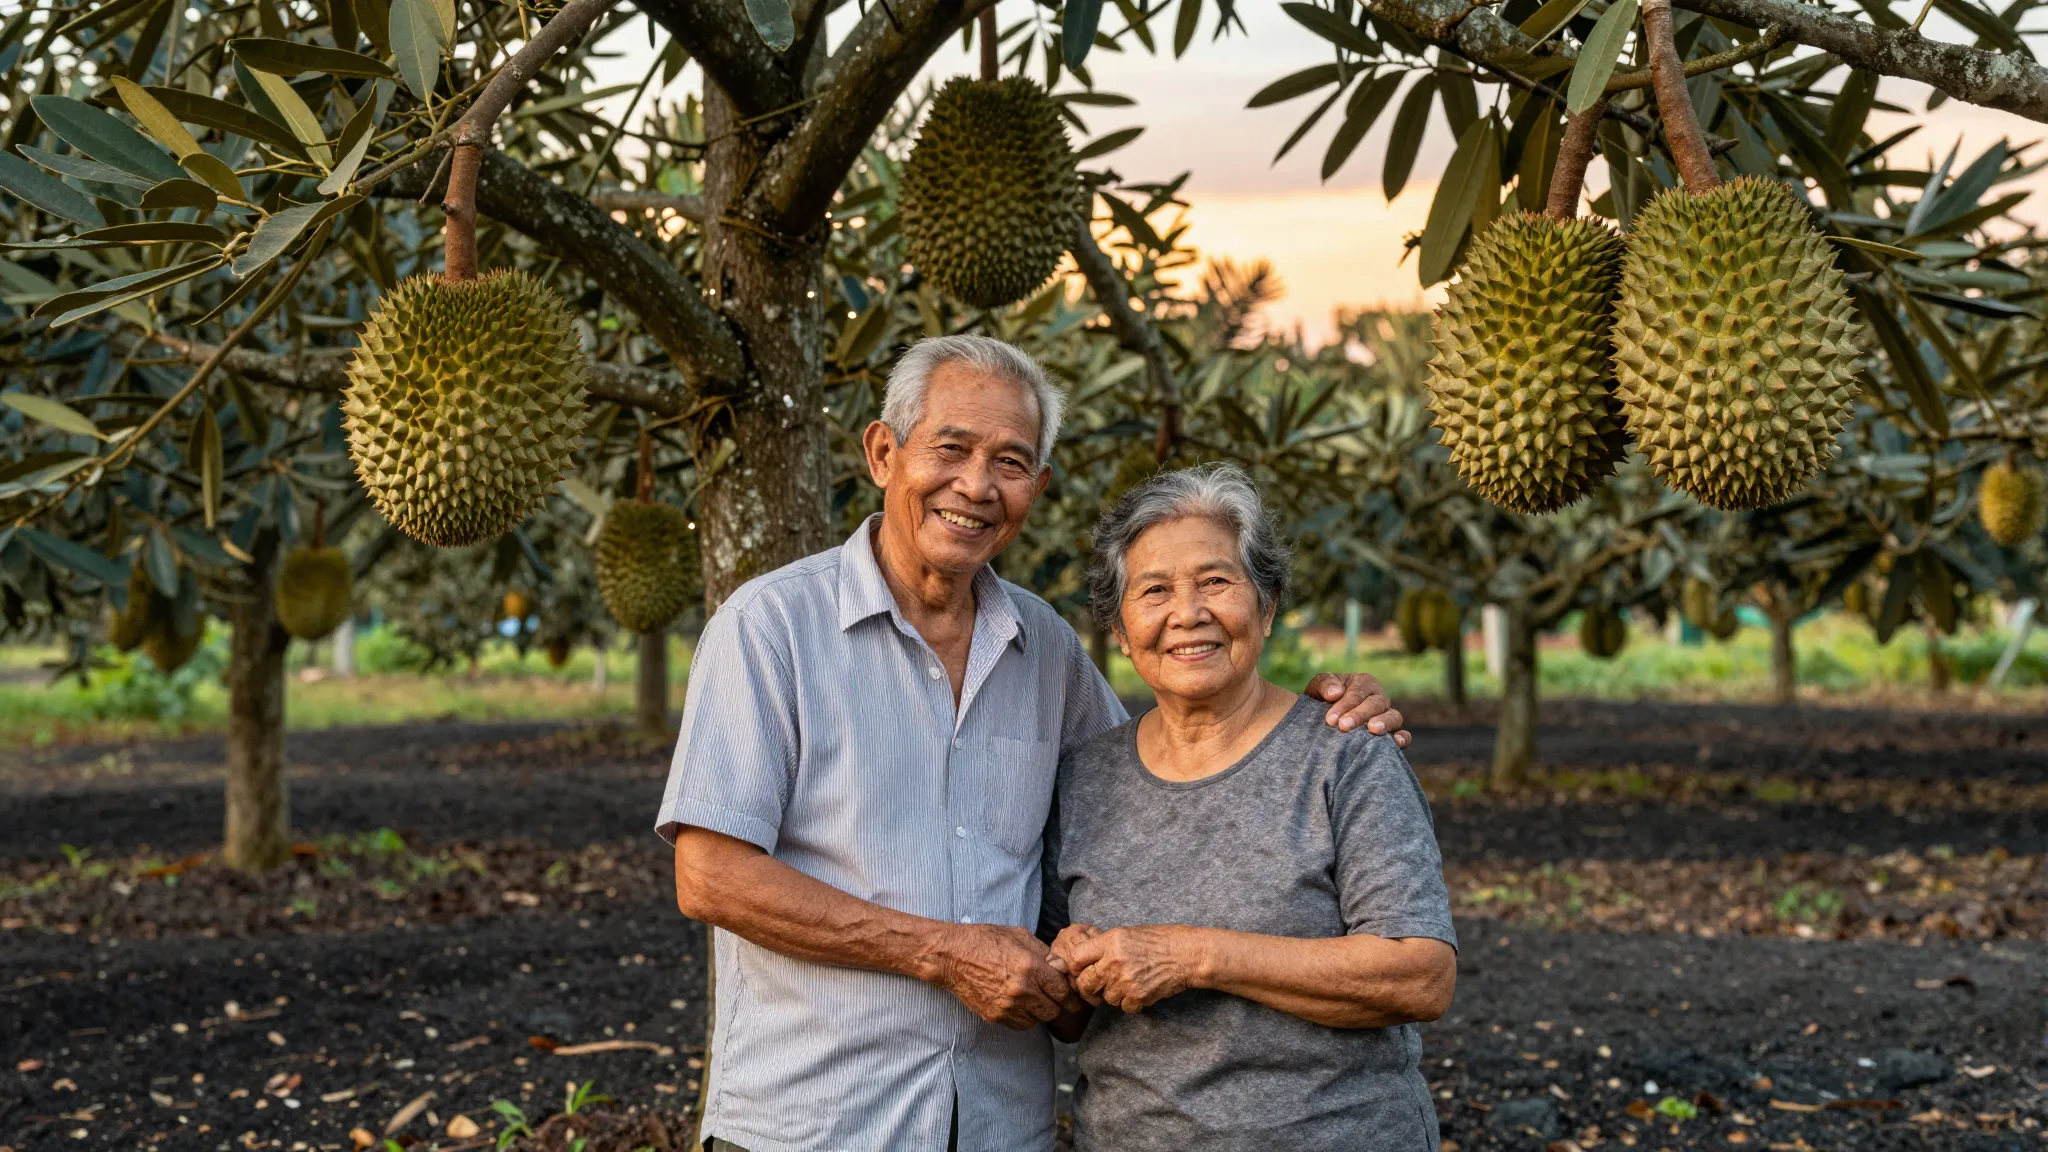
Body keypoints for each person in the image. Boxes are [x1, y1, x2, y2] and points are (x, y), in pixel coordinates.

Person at [655, 334, 1411, 1152]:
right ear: (883, 452)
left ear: (1037, 487)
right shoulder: (770, 629)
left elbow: (1163, 787)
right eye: (951, 448)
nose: (976, 485)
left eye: (1010, 462)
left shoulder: (1045, 649)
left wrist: (1298, 721)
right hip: (813, 1121)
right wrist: (944, 953)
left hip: (998, 1125)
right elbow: (710, 877)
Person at [1042, 462, 1458, 1152]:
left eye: (1215, 581)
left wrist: (1193, 956)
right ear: (1119, 629)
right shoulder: (1083, 778)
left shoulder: (1346, 756)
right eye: (1154, 591)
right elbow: (1067, 1021)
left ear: (1266, 606)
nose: (1188, 613)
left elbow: (1420, 977)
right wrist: (1071, 965)